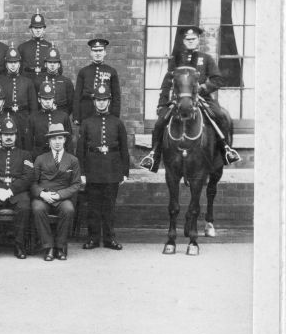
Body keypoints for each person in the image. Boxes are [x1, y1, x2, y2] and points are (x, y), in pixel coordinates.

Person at [140, 26, 241, 171]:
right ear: (183, 41)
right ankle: (153, 155)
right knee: (159, 124)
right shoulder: (176, 59)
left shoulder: (206, 59)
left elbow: (218, 79)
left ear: (198, 40)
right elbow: (167, 83)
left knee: (220, 116)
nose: (191, 42)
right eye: (188, 39)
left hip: (203, 98)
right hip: (179, 100)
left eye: (193, 39)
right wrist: (161, 105)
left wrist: (203, 88)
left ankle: (225, 151)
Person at [76, 84, 129, 251]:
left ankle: (109, 238)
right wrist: (82, 173)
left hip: (112, 169)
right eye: (98, 100)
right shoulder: (86, 123)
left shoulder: (117, 123)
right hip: (92, 169)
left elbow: (124, 149)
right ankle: (93, 238)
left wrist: (124, 172)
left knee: (109, 207)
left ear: (109, 101)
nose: (101, 103)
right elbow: (81, 150)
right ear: (94, 102)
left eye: (104, 100)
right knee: (93, 207)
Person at [0, 116, 35, 260]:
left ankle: (19, 244)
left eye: (11, 135)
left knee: (24, 205)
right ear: (0, 136)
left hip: (16, 192)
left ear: (16, 136)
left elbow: (28, 176)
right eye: (5, 135)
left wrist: (11, 190)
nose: (8, 138)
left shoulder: (25, 155)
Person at [31, 123, 81, 261]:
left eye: (60, 138)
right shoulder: (40, 159)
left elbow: (76, 184)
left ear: (65, 139)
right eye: (53, 139)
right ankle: (48, 247)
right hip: (43, 196)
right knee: (37, 208)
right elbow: (32, 182)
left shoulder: (73, 160)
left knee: (68, 209)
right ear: (49, 141)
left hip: (62, 196)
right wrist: (42, 194)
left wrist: (59, 195)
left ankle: (60, 246)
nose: (57, 142)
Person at [72, 38, 121, 126]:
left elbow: (116, 96)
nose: (98, 53)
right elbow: (77, 96)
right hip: (86, 111)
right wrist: (76, 116)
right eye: (95, 51)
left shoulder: (111, 71)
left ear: (105, 52)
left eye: (100, 50)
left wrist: (115, 116)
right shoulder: (83, 71)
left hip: (106, 111)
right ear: (91, 53)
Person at [0, 43, 37, 146]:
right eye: (10, 62)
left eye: (15, 62)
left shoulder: (27, 82)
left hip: (23, 117)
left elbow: (33, 105)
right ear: (6, 64)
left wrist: (31, 122)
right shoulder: (0, 82)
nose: (13, 65)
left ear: (19, 64)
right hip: (6, 116)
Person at [26, 82, 73, 158]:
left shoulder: (63, 116)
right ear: (39, 99)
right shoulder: (32, 118)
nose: (47, 101)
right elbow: (29, 142)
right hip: (39, 155)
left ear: (53, 99)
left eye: (50, 98)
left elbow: (69, 141)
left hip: (60, 156)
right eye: (44, 99)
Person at [18, 9, 53, 86]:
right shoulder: (22, 47)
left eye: (40, 28)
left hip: (45, 82)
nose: (38, 30)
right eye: (35, 28)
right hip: (27, 82)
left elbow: (58, 69)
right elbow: (18, 69)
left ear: (44, 29)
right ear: (31, 29)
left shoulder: (50, 47)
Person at [36, 47, 74, 117]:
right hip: (43, 116)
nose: (52, 64)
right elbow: (36, 102)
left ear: (59, 65)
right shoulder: (38, 81)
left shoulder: (66, 81)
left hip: (62, 115)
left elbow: (71, 103)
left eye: (55, 62)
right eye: (50, 62)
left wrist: (64, 115)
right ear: (45, 64)